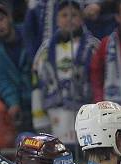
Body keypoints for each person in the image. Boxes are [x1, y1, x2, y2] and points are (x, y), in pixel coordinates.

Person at [31, 0, 100, 150]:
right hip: (55, 119)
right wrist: (40, 122)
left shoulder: (94, 47)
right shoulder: (44, 51)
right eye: (64, 15)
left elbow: (100, 84)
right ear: (56, 18)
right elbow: (37, 84)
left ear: (82, 17)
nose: (69, 19)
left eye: (74, 15)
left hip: (88, 119)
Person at [0, 3, 33, 129]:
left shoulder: (28, 33)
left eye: (1, 19)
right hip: (19, 103)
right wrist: (13, 102)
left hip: (40, 94)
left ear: (9, 18)